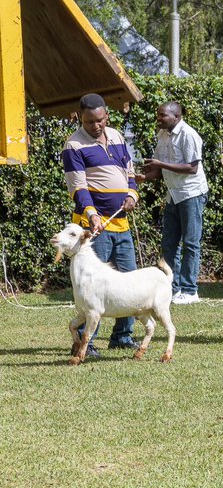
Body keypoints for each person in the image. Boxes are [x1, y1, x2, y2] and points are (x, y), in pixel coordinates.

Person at [61, 93, 140, 357]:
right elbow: (78, 187)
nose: (96, 126)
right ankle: (88, 342)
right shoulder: (73, 145)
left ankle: (122, 336)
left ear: (107, 114)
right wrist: (93, 214)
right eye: (90, 122)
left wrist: (132, 194)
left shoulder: (117, 136)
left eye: (100, 120)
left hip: (121, 222)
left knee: (128, 281)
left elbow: (129, 171)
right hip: (93, 229)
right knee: (91, 288)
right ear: (79, 117)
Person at [141, 101, 209, 304]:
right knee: (169, 243)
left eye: (163, 115)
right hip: (173, 194)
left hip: (191, 194)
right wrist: (143, 177)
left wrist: (160, 165)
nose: (158, 118)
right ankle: (172, 288)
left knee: (190, 242)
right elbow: (159, 169)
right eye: (158, 114)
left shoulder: (189, 135)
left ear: (176, 116)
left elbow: (192, 168)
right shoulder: (162, 134)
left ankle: (190, 290)